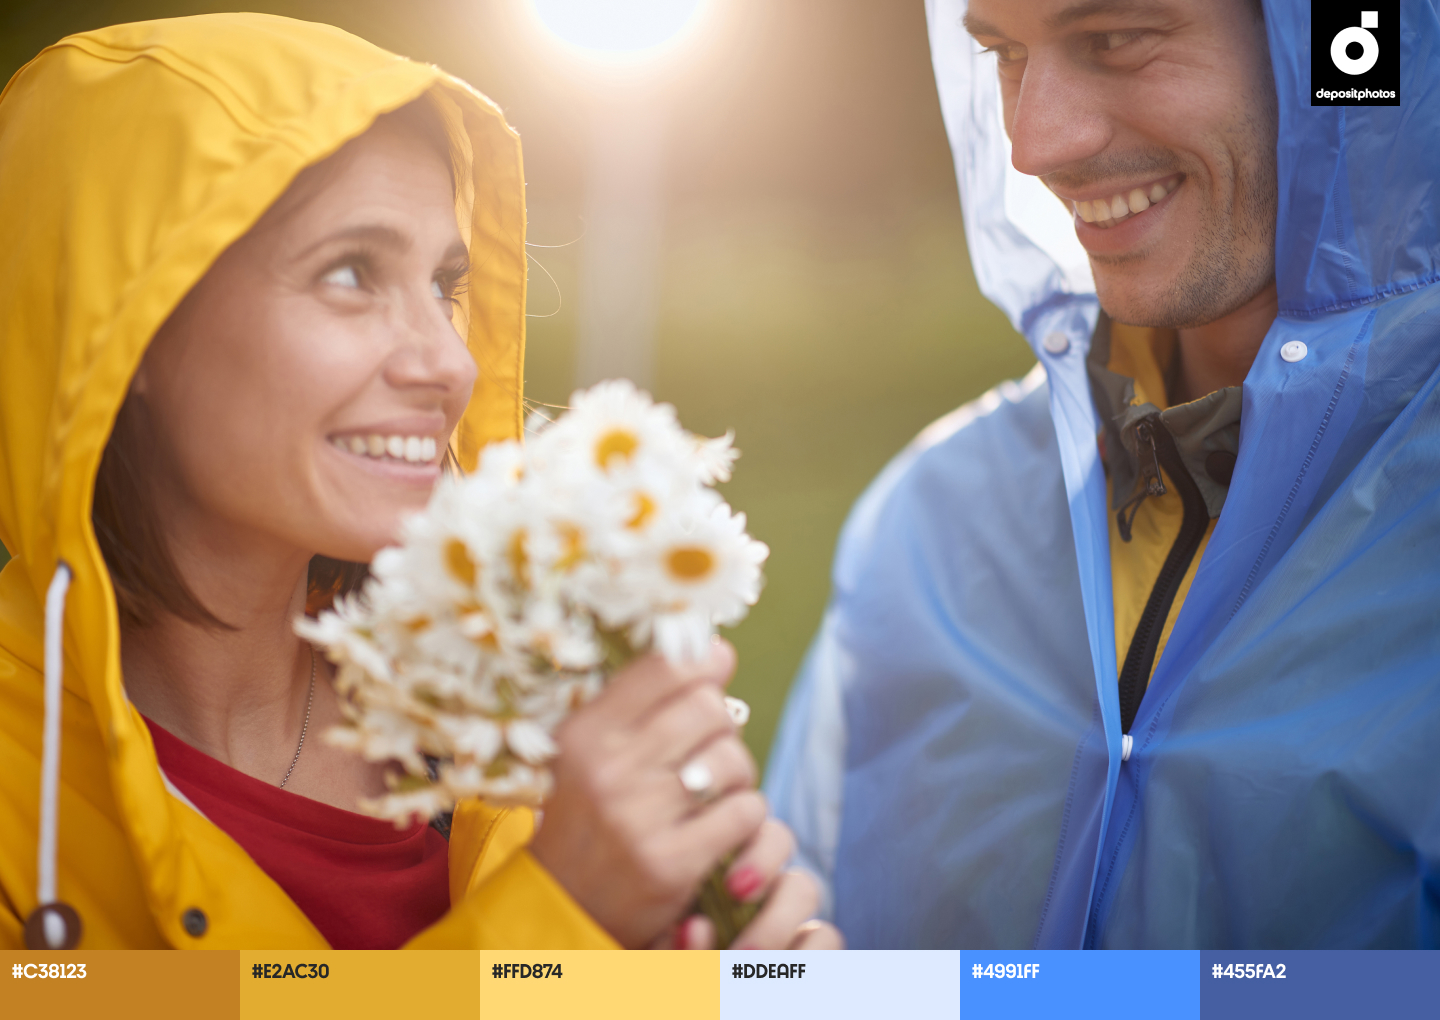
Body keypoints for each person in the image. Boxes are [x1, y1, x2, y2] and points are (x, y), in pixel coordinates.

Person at [0, 13, 841, 952]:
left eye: (444, 284)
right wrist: (559, 924)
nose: (452, 363)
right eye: (351, 273)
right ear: (124, 326)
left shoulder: (523, 685)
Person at [768, 0, 1440, 948]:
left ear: (1344, 44)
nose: (1034, 142)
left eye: (1115, 39)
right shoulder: (930, 525)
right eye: (1001, 53)